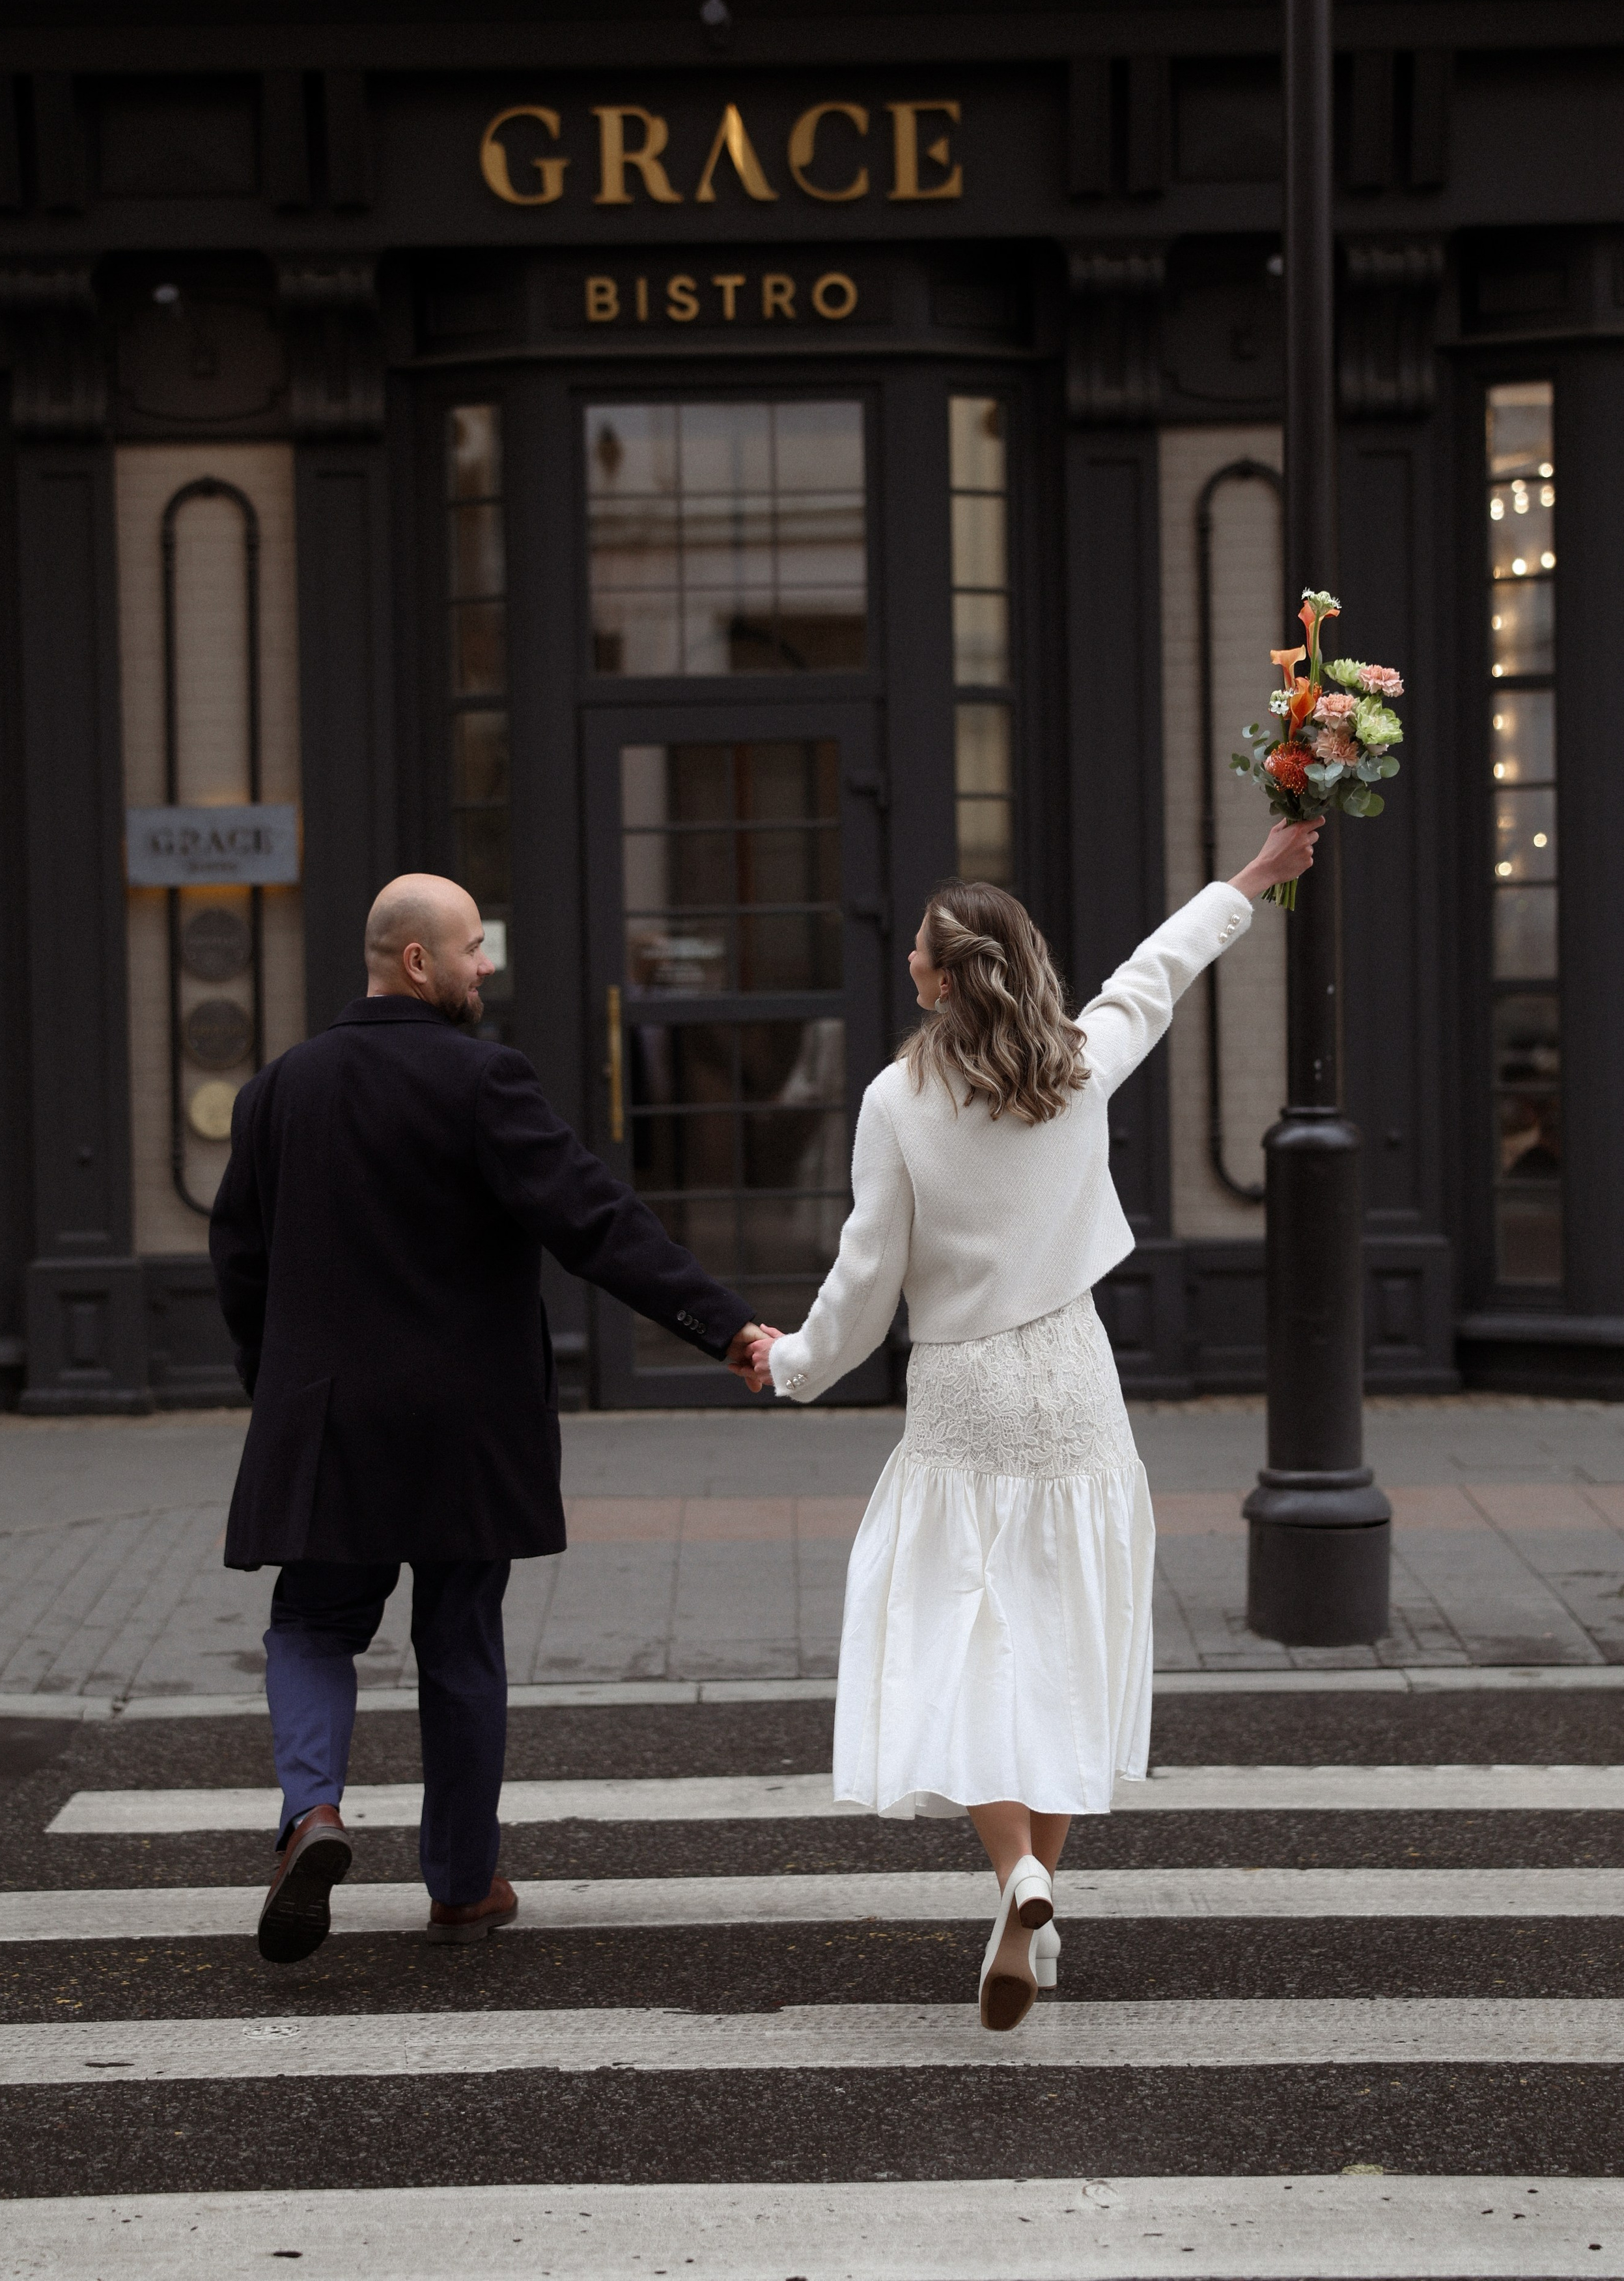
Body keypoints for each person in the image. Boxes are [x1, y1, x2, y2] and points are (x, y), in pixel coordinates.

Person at [750, 819, 1319, 2029]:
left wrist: (791, 1367)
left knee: (963, 1635)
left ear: (947, 975)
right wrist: (1254, 878)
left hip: (963, 1391)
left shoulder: (896, 1101)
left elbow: (864, 1280)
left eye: (918, 952)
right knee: (1064, 1630)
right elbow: (1155, 976)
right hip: (1074, 1376)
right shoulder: (1075, 1063)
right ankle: (1038, 1886)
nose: (907, 963)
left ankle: (1013, 1872)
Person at [211, 873, 764, 1963]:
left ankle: (312, 1813)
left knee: (314, 1624)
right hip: (468, 1426)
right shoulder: (482, 1080)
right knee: (459, 1641)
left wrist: (273, 1394)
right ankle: (462, 1885)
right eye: (473, 947)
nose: (487, 965)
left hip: (327, 1422)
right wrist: (724, 1325)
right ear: (419, 962)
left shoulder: (278, 1090)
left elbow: (240, 1264)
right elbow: (593, 1220)